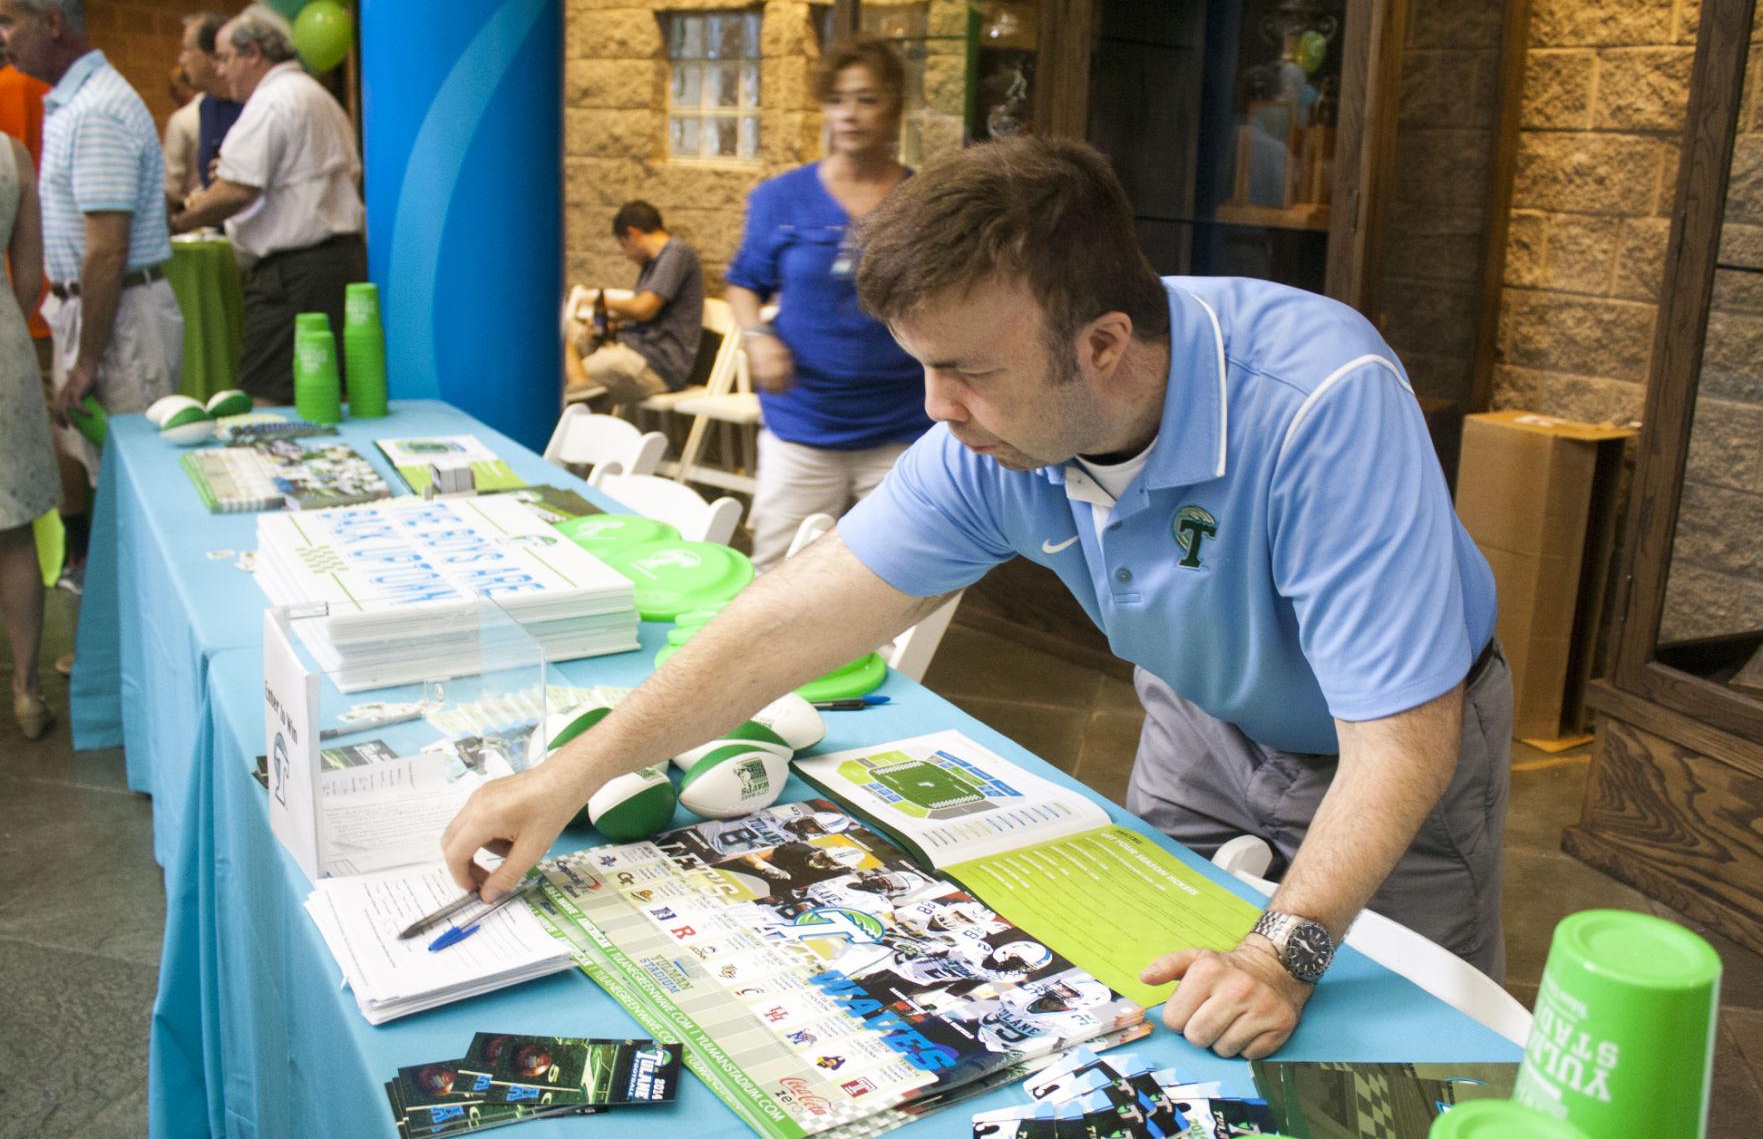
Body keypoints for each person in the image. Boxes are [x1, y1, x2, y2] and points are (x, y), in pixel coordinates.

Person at [441, 137, 1511, 1062]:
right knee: (1147, 992)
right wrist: (569, 772)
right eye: (920, 366)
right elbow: (788, 621)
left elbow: (1399, 743)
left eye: (966, 372)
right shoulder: (984, 437)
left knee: (1399, 1048)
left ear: (1101, 345)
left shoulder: (1320, 405)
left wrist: (1286, 950)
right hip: (1198, 711)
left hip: (1391, 741)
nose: (933, 408)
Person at [725, 36, 929, 569]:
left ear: (896, 108)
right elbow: (743, 281)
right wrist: (756, 339)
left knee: (901, 573)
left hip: (902, 424)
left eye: (867, 99)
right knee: (779, 566)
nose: (850, 114)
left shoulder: (925, 203)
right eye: (838, 100)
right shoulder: (781, 198)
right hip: (804, 421)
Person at [0, 0, 184, 484]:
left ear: (53, 23)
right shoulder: (72, 103)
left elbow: (107, 250)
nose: (2, 39)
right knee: (100, 474)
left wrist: (85, 363)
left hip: (118, 319)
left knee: (136, 482)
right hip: (99, 315)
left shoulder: (96, 109)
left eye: (8, 22)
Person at [172, 10, 364, 404]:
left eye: (224, 58)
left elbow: (237, 191)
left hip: (292, 275)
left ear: (253, 53)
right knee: (326, 395)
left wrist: (181, 220)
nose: (220, 71)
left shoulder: (274, 100)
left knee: (266, 401)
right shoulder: (315, 95)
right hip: (336, 261)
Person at [0, 118, 54, 737]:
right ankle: (26, 692)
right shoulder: (11, 154)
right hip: (3, 343)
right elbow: (30, 276)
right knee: (12, 529)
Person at [564, 200, 704, 405]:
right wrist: (614, 326)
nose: (626, 255)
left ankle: (577, 384)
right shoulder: (653, 263)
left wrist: (598, 299)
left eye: (623, 245)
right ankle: (577, 381)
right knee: (561, 328)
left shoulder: (676, 254)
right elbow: (649, 316)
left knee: (562, 379)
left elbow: (643, 309)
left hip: (655, 364)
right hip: (630, 349)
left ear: (634, 234)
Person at [174, 11, 241, 197]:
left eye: (187, 49)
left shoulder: (252, 101)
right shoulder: (207, 106)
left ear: (213, 54)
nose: (182, 59)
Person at [162, 65, 199, 204]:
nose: (172, 96)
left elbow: (171, 186)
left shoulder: (181, 120)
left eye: (174, 89)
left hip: (190, 209)